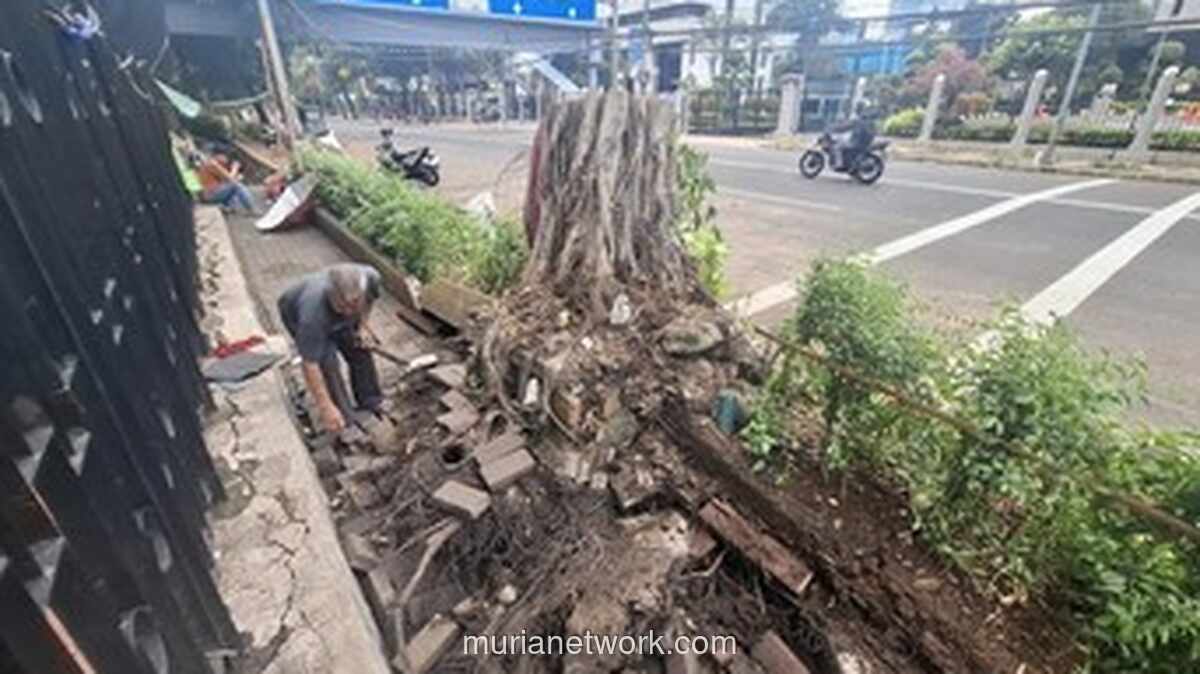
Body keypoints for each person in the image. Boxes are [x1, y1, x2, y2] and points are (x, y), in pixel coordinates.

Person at [277, 264, 385, 434]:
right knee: (328, 364)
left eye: (354, 305)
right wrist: (325, 406)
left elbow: (370, 301)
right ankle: (343, 419)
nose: (349, 312)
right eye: (342, 307)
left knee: (360, 347)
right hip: (294, 311)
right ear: (330, 296)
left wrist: (363, 326)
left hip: (330, 310)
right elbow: (310, 365)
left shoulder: (371, 278)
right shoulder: (311, 316)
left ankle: (371, 400)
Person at [827, 103, 877, 171]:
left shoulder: (859, 121)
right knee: (841, 142)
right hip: (861, 142)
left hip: (857, 143)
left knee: (837, 147)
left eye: (858, 108)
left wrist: (834, 128)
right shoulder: (868, 121)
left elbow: (845, 127)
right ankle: (846, 162)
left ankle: (839, 164)